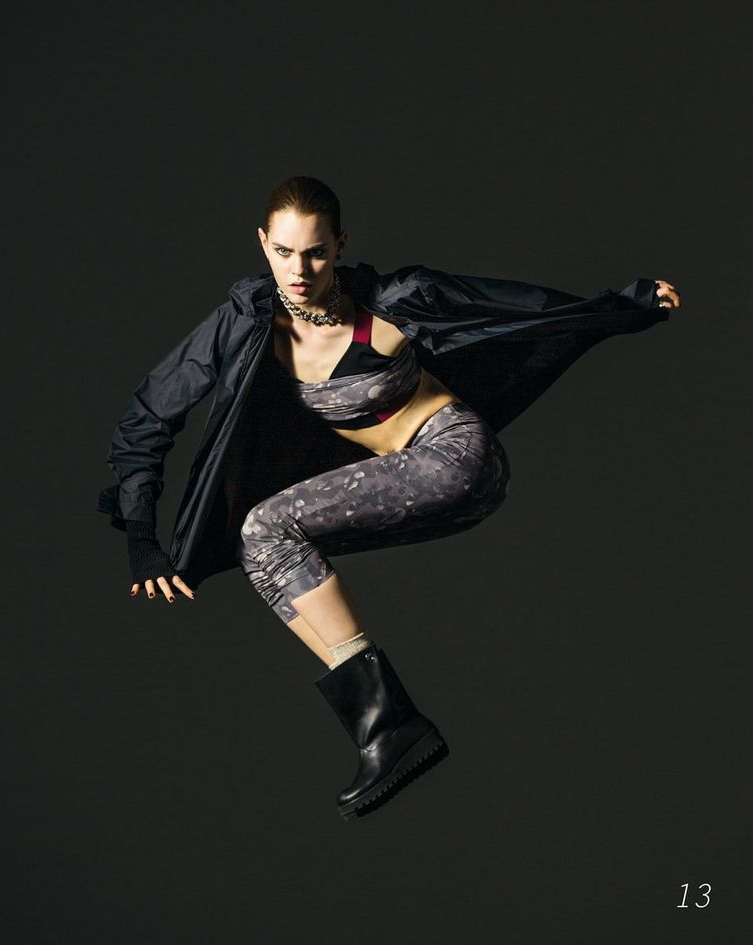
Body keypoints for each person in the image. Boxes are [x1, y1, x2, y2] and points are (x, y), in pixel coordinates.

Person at [99, 175, 681, 820]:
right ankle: (387, 730)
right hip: (411, 480)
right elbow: (151, 411)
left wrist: (626, 305)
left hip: (457, 457)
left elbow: (519, 307)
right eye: (284, 252)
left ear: (340, 246)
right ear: (263, 244)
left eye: (316, 253)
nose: (300, 270)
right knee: (259, 549)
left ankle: (391, 724)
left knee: (267, 526)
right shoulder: (245, 324)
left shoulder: (395, 301)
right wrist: (141, 535)